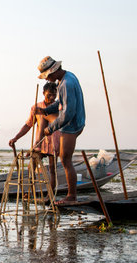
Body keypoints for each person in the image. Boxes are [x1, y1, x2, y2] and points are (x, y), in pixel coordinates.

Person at [35, 56, 86, 205]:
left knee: (65, 159)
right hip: (72, 123)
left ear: (53, 71)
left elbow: (67, 113)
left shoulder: (66, 83)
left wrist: (50, 128)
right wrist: (46, 110)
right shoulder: (66, 77)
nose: (48, 80)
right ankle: (71, 194)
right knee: (65, 159)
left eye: (48, 76)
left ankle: (71, 196)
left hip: (71, 125)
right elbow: (61, 102)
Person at [9, 82, 60, 189]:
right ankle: (30, 192)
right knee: (31, 167)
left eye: (54, 95)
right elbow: (28, 125)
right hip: (39, 143)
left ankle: (50, 195)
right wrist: (16, 137)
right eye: (49, 95)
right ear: (43, 93)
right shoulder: (36, 108)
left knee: (52, 169)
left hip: (54, 143)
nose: (51, 98)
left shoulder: (58, 108)